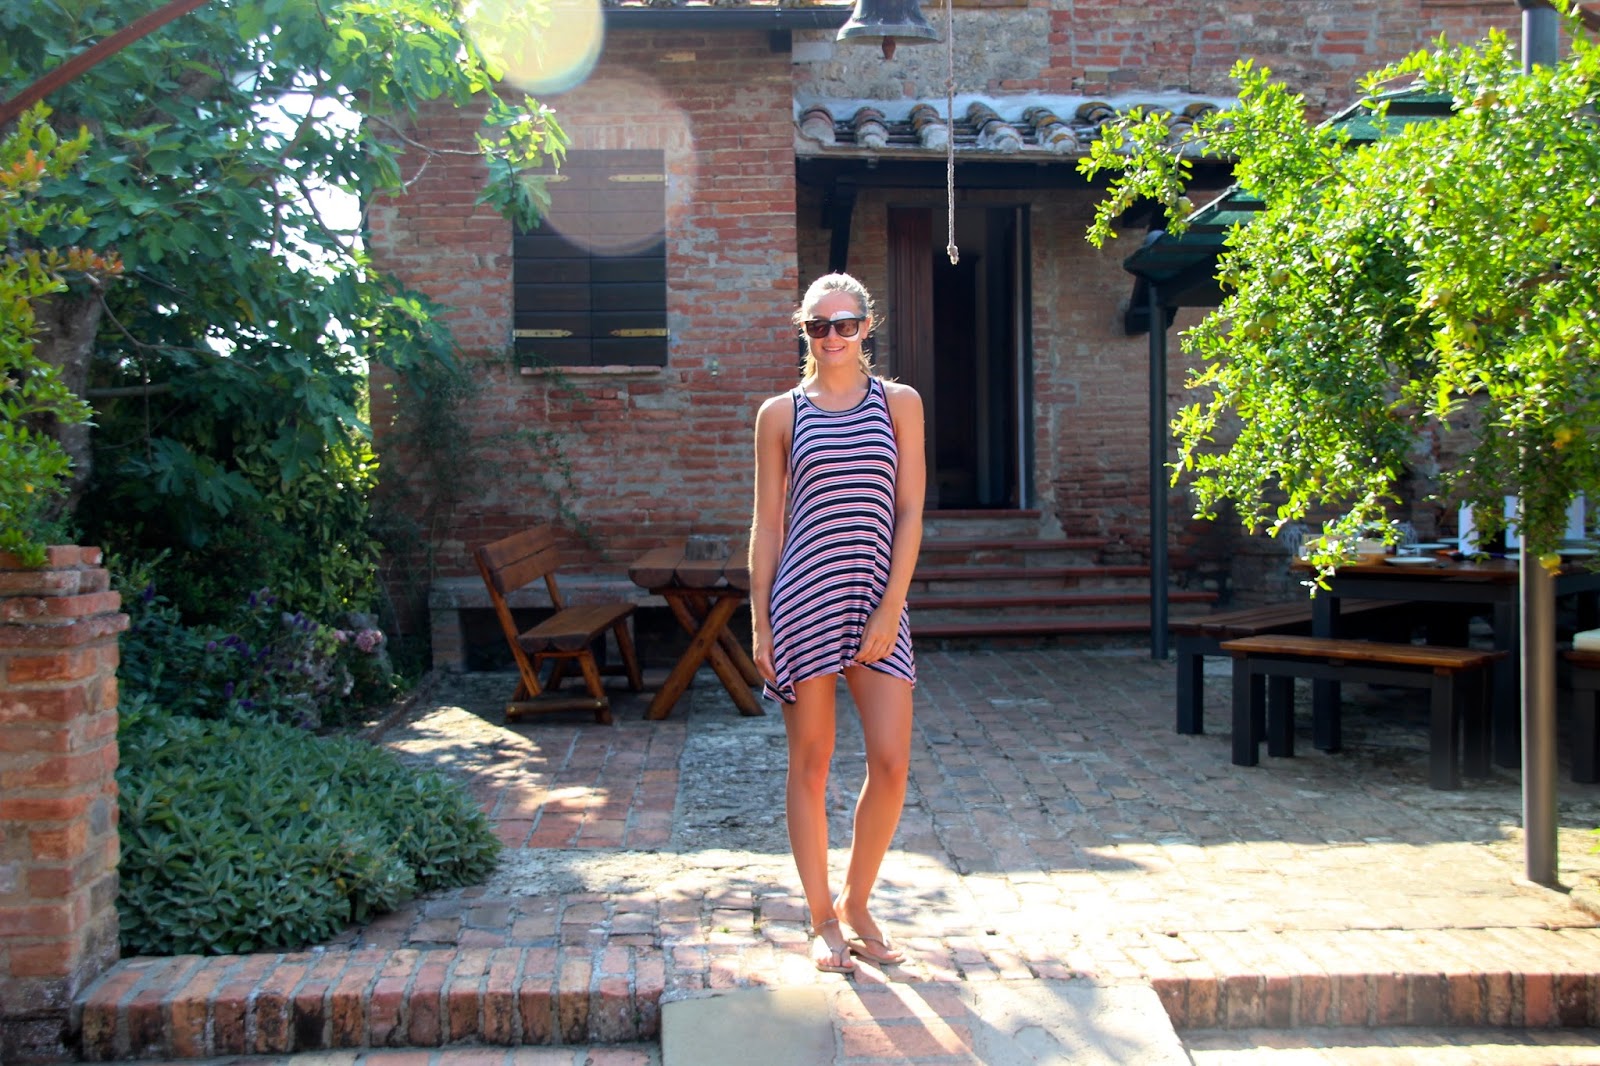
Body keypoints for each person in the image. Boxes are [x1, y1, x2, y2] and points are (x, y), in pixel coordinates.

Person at [748, 272, 926, 975]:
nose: (832, 337)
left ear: (866, 327)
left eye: (845, 324)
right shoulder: (780, 414)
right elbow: (767, 525)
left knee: (891, 762)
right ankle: (822, 917)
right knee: (812, 762)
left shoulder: (900, 403)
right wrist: (760, 623)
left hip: (877, 599)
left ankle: (857, 901)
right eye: (818, 326)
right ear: (804, 331)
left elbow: (909, 511)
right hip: (804, 600)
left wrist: (891, 604)